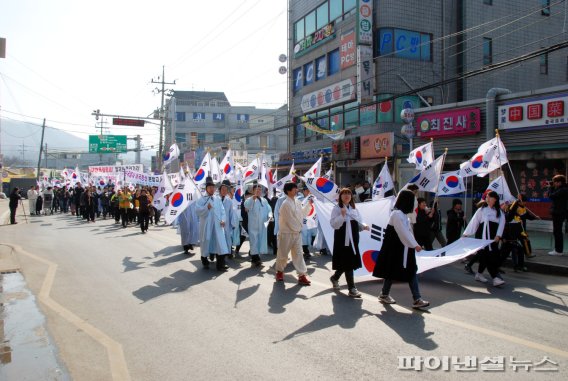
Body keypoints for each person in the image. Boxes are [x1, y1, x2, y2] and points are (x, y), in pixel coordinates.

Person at [373, 190, 430, 309]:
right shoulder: (397, 214)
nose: (414, 203)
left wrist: (414, 244)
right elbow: (402, 232)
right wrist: (415, 244)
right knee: (391, 271)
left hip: (404, 248)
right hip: (395, 248)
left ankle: (416, 298)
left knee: (411, 270)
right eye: (413, 200)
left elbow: (408, 232)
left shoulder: (404, 216)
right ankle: (385, 294)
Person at [329, 188, 370, 298]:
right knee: (348, 263)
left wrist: (364, 226)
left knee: (347, 262)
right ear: (340, 196)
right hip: (342, 239)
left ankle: (335, 277)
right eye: (344, 193)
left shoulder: (354, 208)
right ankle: (352, 288)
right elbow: (333, 224)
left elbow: (360, 221)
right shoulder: (337, 208)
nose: (346, 196)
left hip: (353, 239)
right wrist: (341, 216)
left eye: (348, 193)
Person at [463, 191, 506, 287]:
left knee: (488, 257)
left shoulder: (499, 212)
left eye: (489, 197)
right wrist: (466, 234)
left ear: (494, 199)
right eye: (486, 197)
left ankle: (479, 274)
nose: (487, 198)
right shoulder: (481, 210)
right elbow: (474, 222)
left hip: (493, 239)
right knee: (487, 257)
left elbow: (502, 224)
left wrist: (498, 236)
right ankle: (495, 278)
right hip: (482, 237)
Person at [275, 182, 312, 286]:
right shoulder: (285, 204)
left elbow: (303, 214)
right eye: (294, 189)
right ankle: (279, 272)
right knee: (283, 254)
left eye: (296, 188)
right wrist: (298, 228)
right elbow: (289, 220)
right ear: (288, 191)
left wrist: (309, 204)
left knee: (299, 254)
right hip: (286, 233)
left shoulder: (297, 202)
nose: (296, 190)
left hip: (296, 233)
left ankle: (302, 275)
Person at [195, 178, 230, 271]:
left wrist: (223, 220)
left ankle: (220, 265)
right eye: (209, 187)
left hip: (217, 225)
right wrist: (206, 208)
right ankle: (204, 260)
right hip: (207, 225)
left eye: (213, 187)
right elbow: (198, 211)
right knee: (206, 242)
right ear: (206, 189)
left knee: (220, 244)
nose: (211, 189)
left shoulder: (218, 199)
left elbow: (223, 211)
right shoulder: (202, 200)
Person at [244, 184, 272, 267]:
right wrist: (253, 198)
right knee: (254, 241)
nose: (258, 191)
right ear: (253, 191)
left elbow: (269, 209)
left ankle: (257, 257)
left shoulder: (264, 200)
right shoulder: (250, 199)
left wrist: (270, 216)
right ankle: (254, 259)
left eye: (259, 189)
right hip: (253, 225)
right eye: (256, 190)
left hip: (262, 225)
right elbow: (246, 206)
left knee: (260, 241)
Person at [548, 174, 567, 255]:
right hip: (559, 211)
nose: (554, 183)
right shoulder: (562, 189)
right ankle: (558, 249)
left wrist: (550, 187)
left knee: (557, 231)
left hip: (559, 212)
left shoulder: (563, 190)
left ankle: (558, 250)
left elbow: (551, 196)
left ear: (559, 182)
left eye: (555, 182)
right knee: (557, 231)